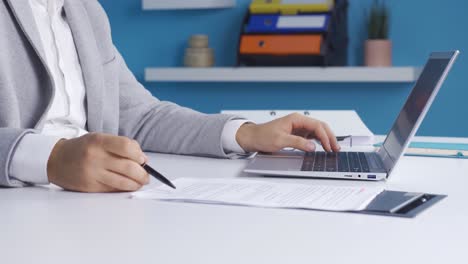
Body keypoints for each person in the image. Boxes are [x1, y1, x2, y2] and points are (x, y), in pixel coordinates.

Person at [0, 0, 340, 193]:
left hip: (95, 204)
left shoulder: (85, 11)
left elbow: (140, 115)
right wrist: (51, 158)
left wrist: (246, 133)